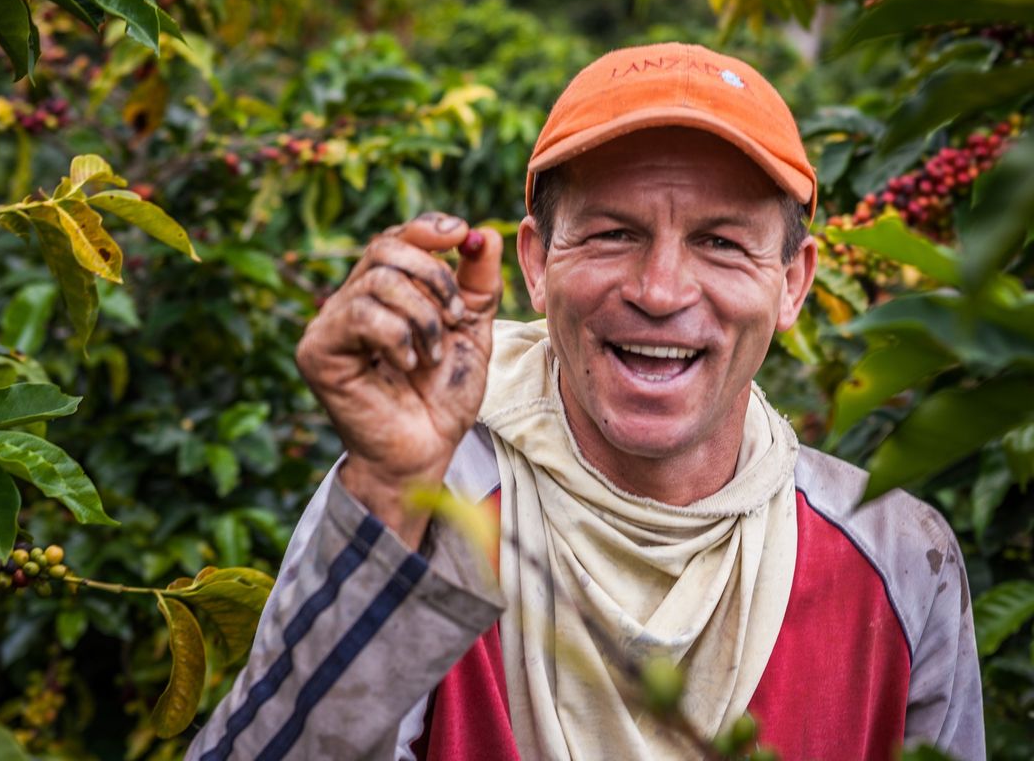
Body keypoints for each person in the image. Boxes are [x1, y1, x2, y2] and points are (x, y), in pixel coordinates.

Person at [187, 43, 984, 761]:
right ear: (535, 264)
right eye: (611, 234)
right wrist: (388, 492)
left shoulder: (899, 558)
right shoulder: (429, 501)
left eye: (721, 242)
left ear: (792, 283)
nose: (661, 291)